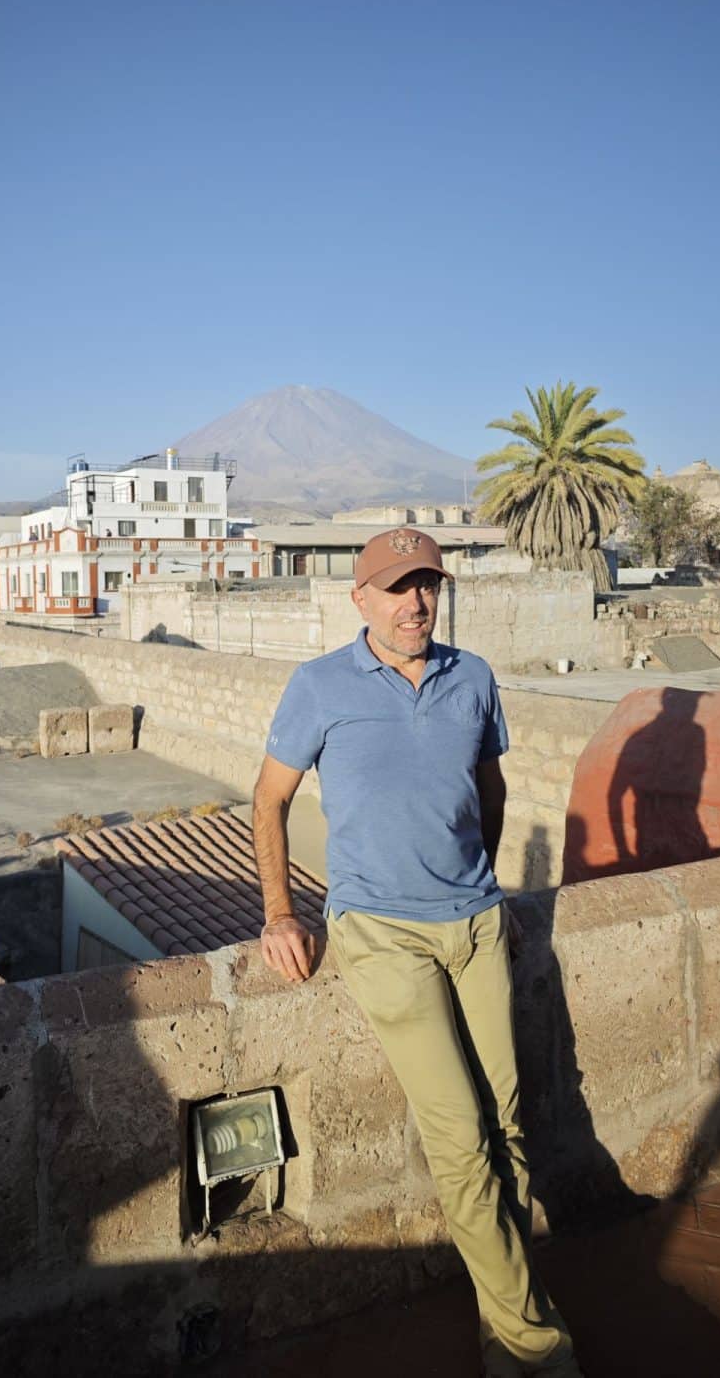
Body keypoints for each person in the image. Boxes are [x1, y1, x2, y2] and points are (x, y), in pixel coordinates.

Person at [252, 528, 581, 1378]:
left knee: (506, 1129)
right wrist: (281, 912)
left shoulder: (470, 676)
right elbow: (268, 801)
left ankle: (499, 1328)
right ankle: (535, 1347)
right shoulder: (319, 685)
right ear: (359, 598)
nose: (416, 603)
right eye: (397, 588)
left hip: (473, 925)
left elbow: (490, 783)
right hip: (380, 932)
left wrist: (490, 885)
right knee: (460, 1139)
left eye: (427, 585)